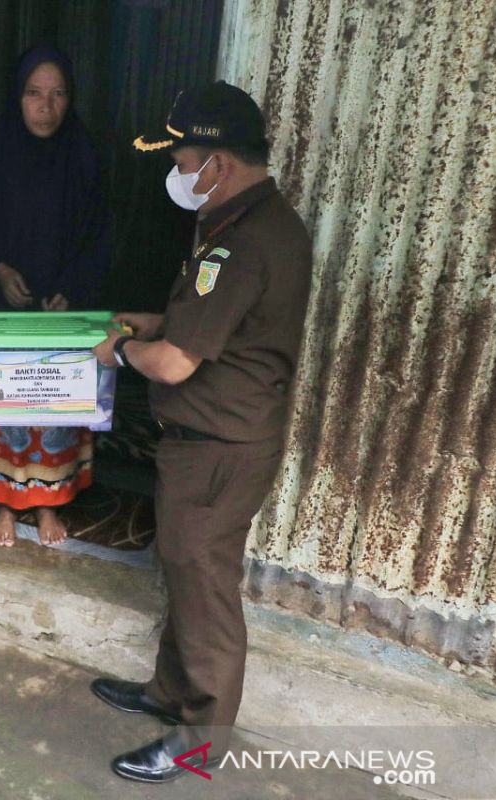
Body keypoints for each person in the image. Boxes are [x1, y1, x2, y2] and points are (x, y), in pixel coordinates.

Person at [91, 81, 313, 783]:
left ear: (217, 162)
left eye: (184, 160)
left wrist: (121, 351)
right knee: (185, 576)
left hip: (217, 450)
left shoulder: (241, 245)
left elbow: (177, 363)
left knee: (206, 591)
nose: (179, 174)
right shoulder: (247, 224)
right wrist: (150, 323)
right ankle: (168, 693)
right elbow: (208, 332)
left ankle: (198, 740)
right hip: (212, 444)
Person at [0, 45, 112, 547]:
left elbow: (100, 238)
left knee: (53, 405)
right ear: (17, 98)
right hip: (5, 310)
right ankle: (3, 504)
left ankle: (48, 505)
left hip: (63, 312)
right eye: (34, 93)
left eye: (58, 93)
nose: (46, 106)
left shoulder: (84, 158)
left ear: (71, 100)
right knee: (8, 402)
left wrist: (73, 290)